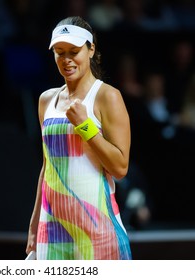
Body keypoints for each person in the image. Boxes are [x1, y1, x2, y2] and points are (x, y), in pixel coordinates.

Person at [26, 16, 132, 260]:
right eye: (59, 52)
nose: (66, 60)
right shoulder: (46, 100)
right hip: (50, 230)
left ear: (91, 49)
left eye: (74, 51)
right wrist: (33, 226)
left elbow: (119, 167)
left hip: (98, 229)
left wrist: (85, 125)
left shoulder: (108, 96)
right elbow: (47, 167)